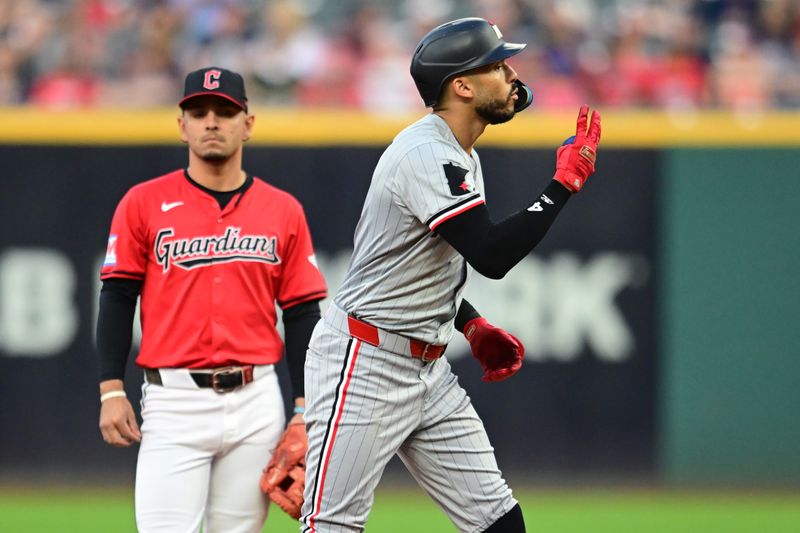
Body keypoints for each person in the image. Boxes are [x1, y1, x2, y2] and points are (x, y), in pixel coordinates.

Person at [300, 18, 601, 533]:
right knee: (329, 527)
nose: (511, 75)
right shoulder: (427, 153)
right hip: (365, 362)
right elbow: (489, 253)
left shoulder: (458, 151)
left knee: (498, 522)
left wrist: (469, 322)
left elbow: (421, 263)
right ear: (462, 85)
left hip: (426, 366)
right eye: (498, 65)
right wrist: (563, 184)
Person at [96, 66, 327, 532]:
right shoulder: (143, 202)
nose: (211, 122)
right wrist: (111, 389)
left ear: (248, 124)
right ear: (182, 126)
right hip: (174, 402)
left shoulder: (283, 209)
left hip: (257, 401)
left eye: (225, 111)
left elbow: (303, 313)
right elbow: (118, 296)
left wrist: (306, 409)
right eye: (198, 112)